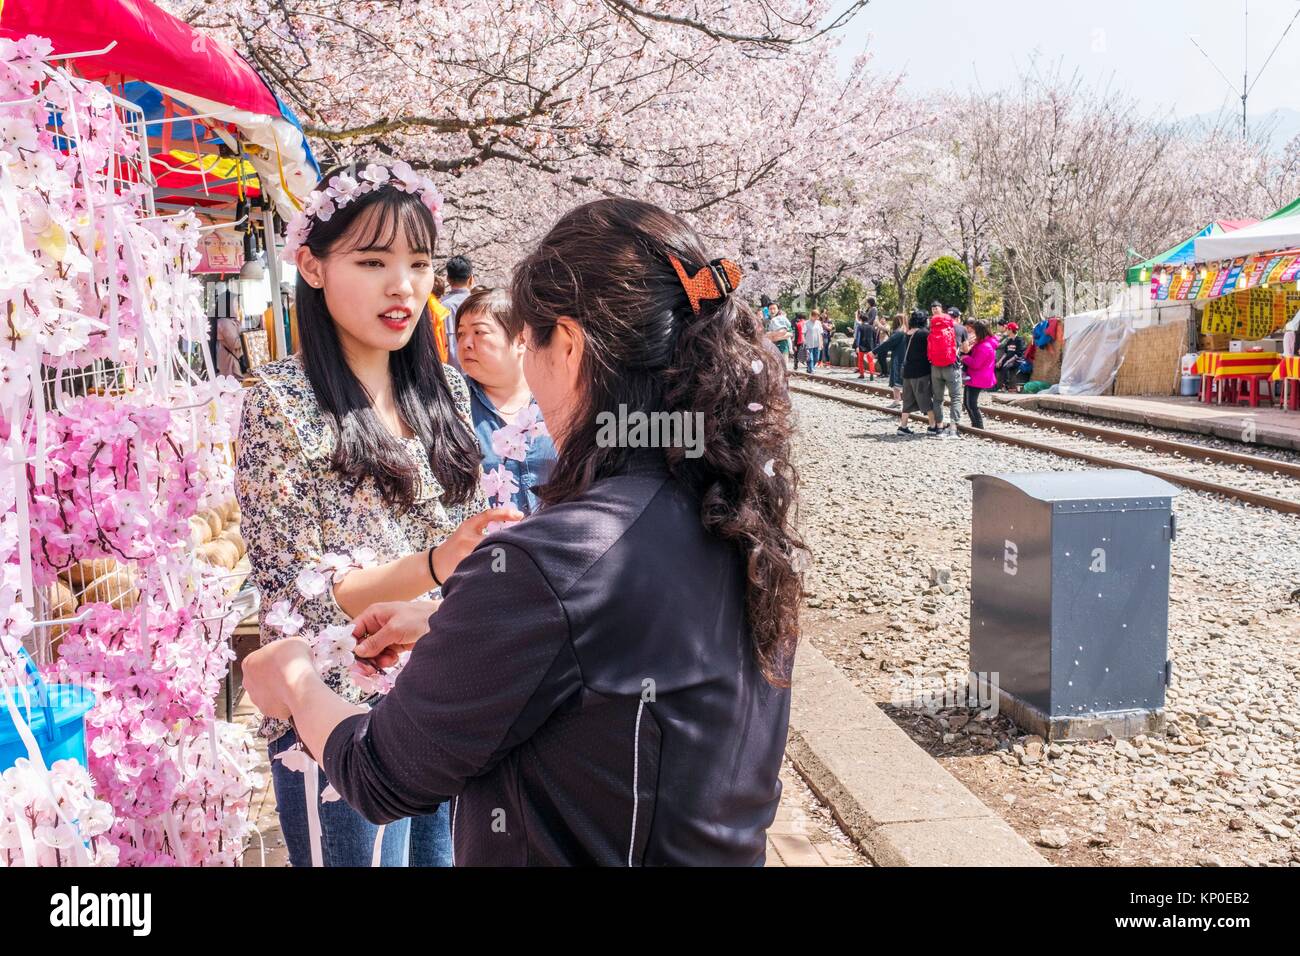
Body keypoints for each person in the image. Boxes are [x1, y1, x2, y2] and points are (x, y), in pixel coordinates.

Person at [241, 196, 805, 865]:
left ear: (564, 345)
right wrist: (462, 615)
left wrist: (296, 680)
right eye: (372, 260)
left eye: (526, 342)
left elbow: (379, 772)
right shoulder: (729, 512)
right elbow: (608, 639)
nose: (401, 284)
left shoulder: (552, 557)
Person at [235, 161, 521, 868]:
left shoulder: (448, 389)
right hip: (335, 716)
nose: (403, 286)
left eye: (418, 263)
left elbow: (465, 540)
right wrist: (432, 564)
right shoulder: (279, 400)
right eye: (371, 261)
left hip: (447, 696)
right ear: (311, 265)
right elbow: (293, 598)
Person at [454, 286, 558, 514]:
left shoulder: (557, 398)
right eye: (460, 333)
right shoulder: (451, 405)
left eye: (479, 332)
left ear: (521, 339)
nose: (466, 343)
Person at [927, 301, 962, 438]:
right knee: (956, 397)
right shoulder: (959, 329)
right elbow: (965, 349)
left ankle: (939, 428)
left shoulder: (932, 330)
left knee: (938, 398)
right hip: (951, 367)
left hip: (935, 367)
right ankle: (953, 429)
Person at [896, 311, 933, 435]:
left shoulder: (908, 333)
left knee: (907, 400)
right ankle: (933, 426)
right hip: (921, 371)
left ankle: (903, 426)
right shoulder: (924, 333)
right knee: (925, 399)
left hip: (908, 372)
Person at [961, 320, 997, 429]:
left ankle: (978, 426)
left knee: (970, 404)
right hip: (977, 377)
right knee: (969, 403)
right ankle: (976, 426)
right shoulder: (984, 343)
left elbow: (976, 364)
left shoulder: (984, 346)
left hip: (977, 378)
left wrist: (965, 358)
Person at [441, 255, 474, 368]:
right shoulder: (478, 304)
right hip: (475, 372)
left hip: (447, 373)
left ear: (448, 279)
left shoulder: (439, 306)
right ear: (470, 278)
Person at [872, 314, 907, 404]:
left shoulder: (899, 332)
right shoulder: (908, 331)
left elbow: (887, 344)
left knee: (896, 379)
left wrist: (873, 352)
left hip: (898, 358)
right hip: (908, 358)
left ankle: (896, 400)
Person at [995, 321, 1026, 391]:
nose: (1007, 331)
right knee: (997, 366)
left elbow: (1018, 354)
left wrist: (1008, 361)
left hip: (1017, 360)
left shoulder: (1019, 340)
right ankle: (995, 386)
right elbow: (1006, 353)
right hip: (1008, 359)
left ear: (1011, 330)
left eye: (1008, 329)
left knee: (1006, 367)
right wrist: (1000, 361)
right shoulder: (1009, 341)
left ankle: (1006, 386)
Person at [853, 303, 879, 379]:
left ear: (861, 319)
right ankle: (871, 374)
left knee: (860, 360)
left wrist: (857, 346)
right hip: (870, 346)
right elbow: (875, 338)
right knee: (870, 360)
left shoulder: (860, 327)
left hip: (861, 346)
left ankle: (862, 374)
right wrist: (875, 346)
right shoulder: (872, 327)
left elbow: (858, 337)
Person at [804, 307, 824, 373]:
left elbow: (821, 333)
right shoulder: (806, 323)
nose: (816, 318)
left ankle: (809, 368)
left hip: (817, 343)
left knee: (816, 358)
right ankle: (811, 369)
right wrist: (804, 342)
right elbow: (803, 333)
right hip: (809, 343)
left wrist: (821, 343)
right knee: (810, 358)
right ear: (812, 316)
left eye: (817, 316)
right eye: (815, 316)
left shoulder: (818, 323)